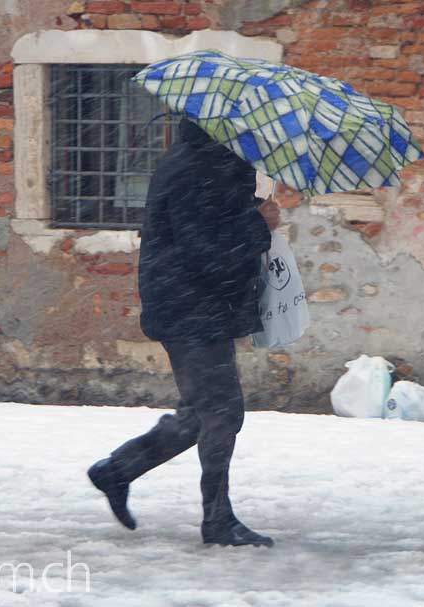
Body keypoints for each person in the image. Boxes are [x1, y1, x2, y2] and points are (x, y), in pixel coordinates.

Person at [88, 118, 280, 547]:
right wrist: (259, 226)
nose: (254, 135)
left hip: (199, 308)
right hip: (190, 311)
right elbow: (207, 252)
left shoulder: (209, 164)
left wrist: (252, 212)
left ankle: (117, 471)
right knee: (222, 414)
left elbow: (213, 234)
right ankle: (217, 521)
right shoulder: (197, 170)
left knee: (201, 414)